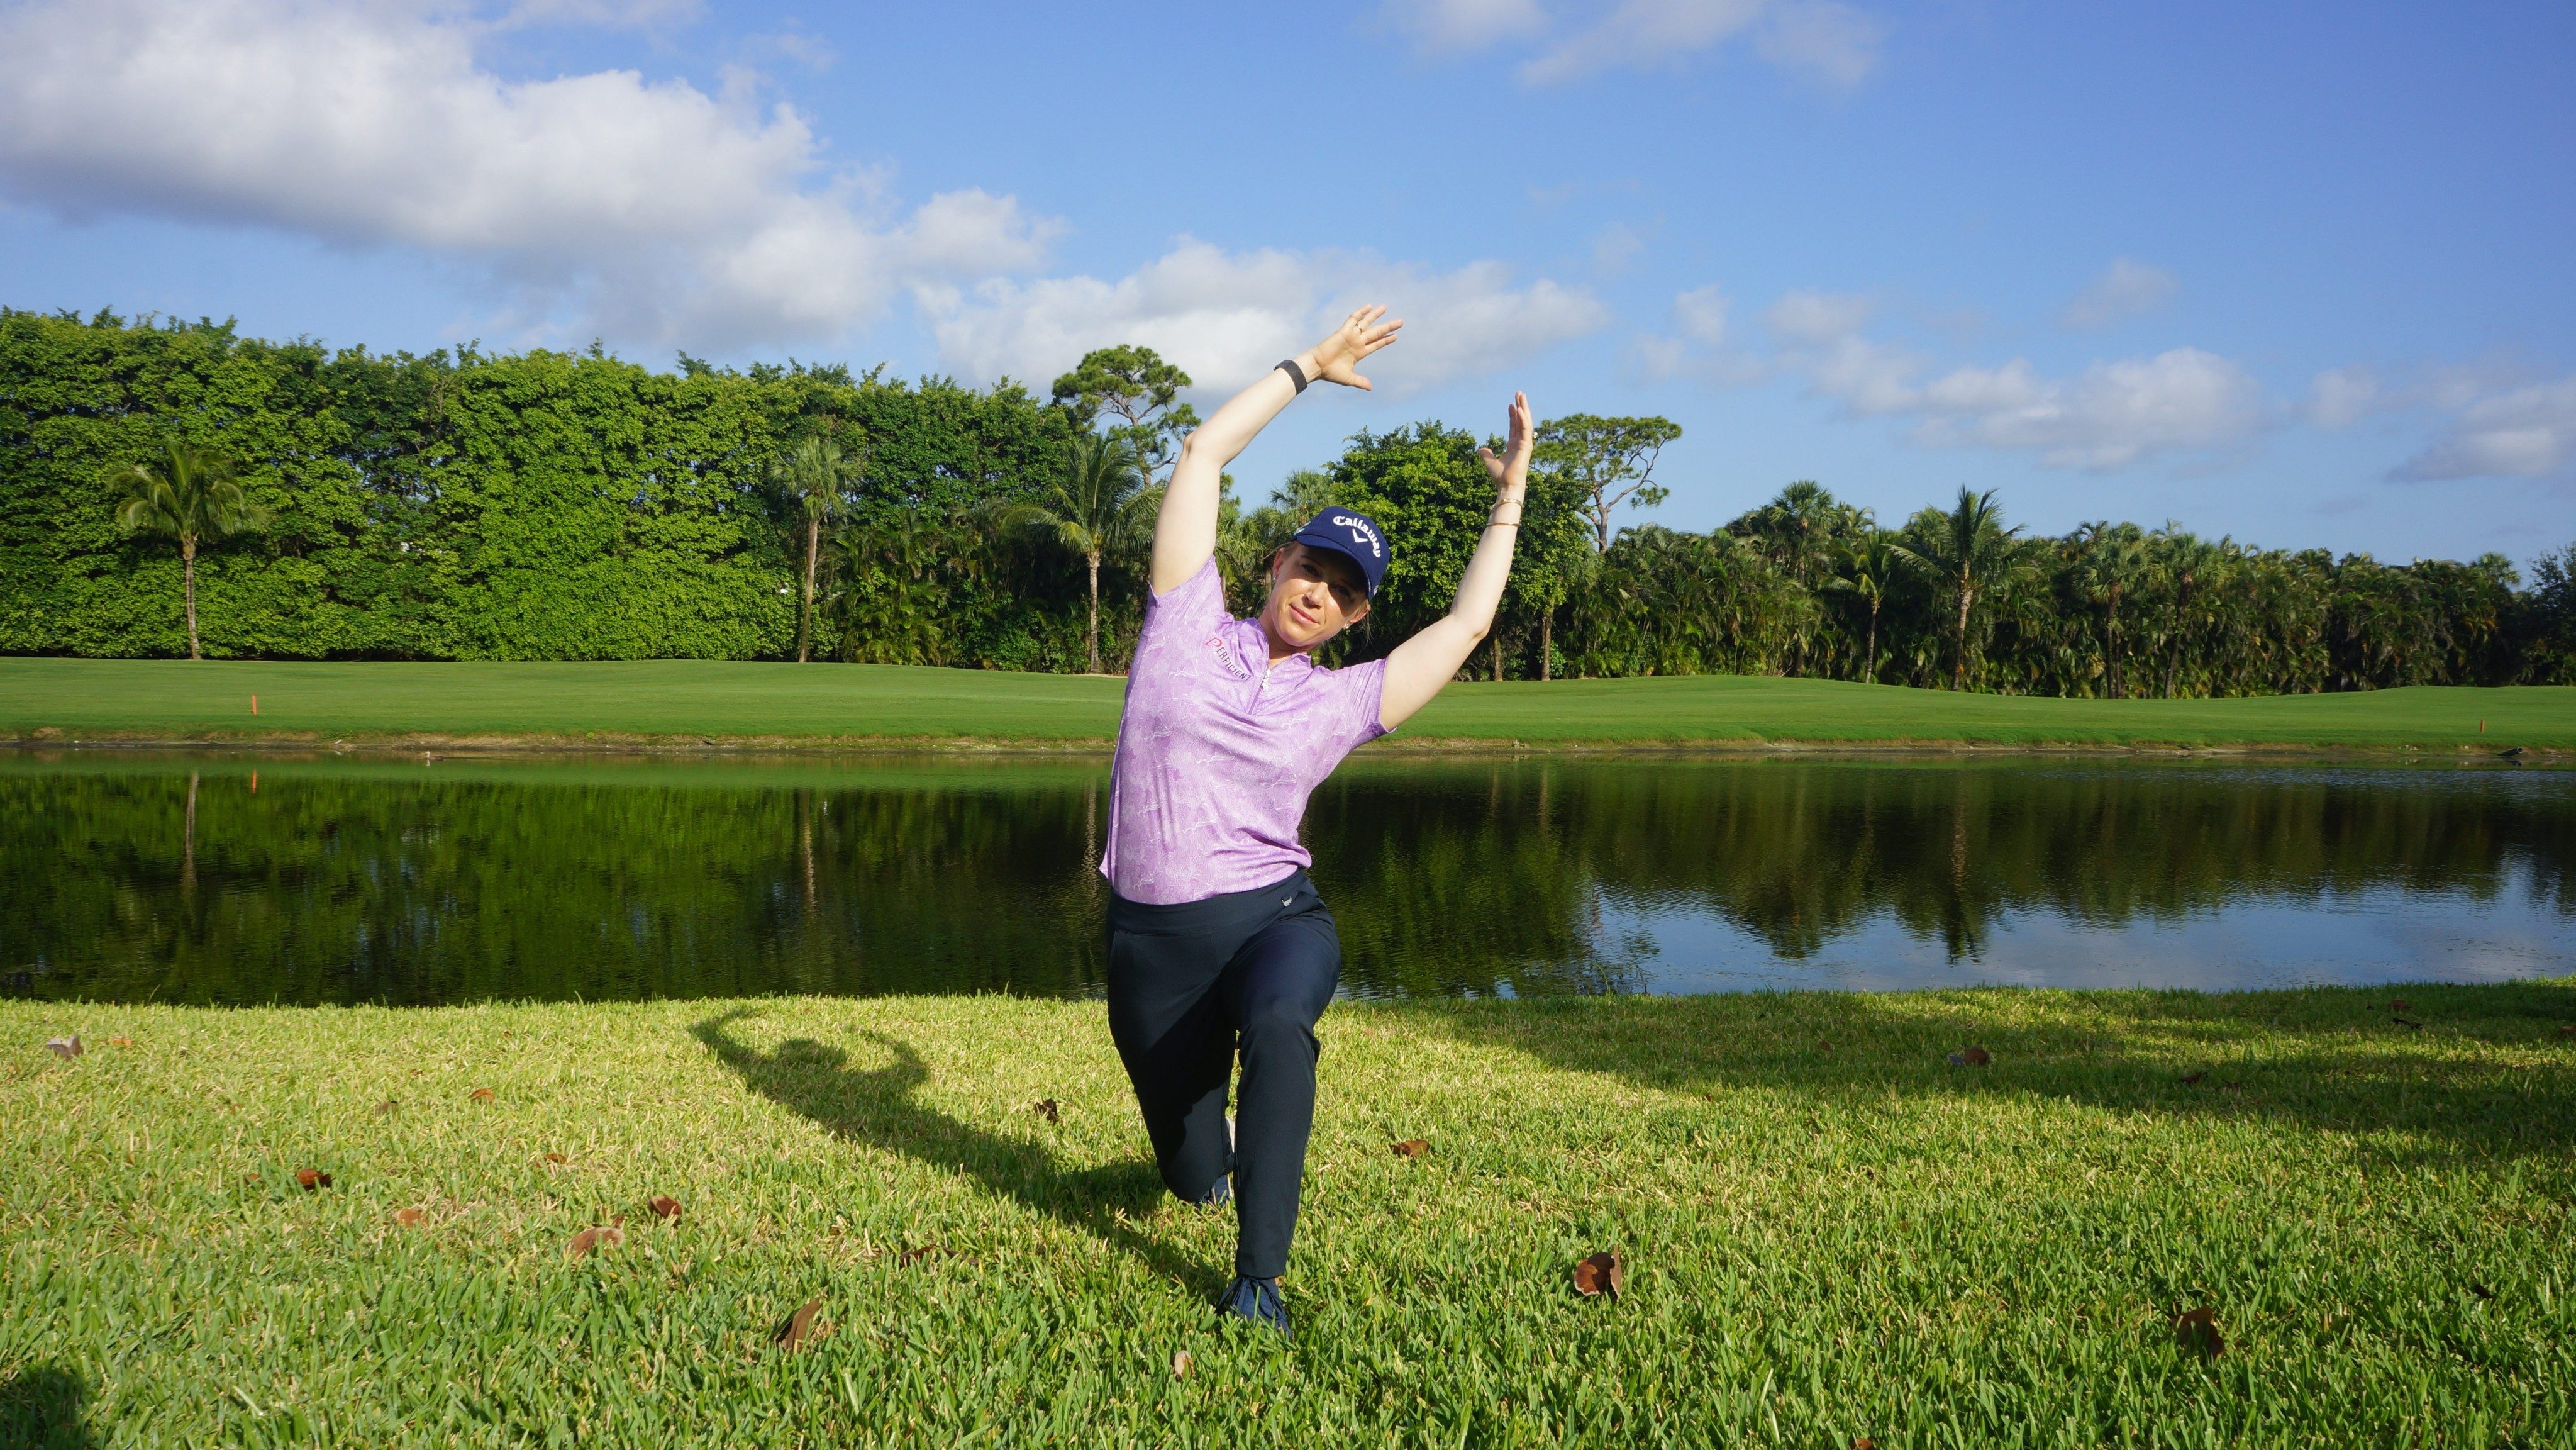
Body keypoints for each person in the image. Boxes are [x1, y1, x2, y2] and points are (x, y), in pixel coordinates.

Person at [1099, 303, 1532, 1337]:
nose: (1320, 592)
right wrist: (1308, 368)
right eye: (1312, 568)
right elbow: (1203, 450)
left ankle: (1260, 1281)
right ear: (1278, 563)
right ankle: (1221, 1151)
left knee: (1284, 1024)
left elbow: (1469, 623)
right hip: (1149, 946)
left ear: (1355, 616)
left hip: (1273, 919)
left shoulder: (1347, 701)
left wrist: (1511, 494)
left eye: (1344, 590)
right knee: (1192, 1174)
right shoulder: (1183, 618)